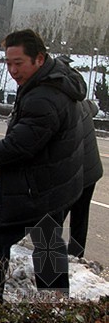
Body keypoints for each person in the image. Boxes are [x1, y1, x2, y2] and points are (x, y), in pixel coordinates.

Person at [0, 29, 86, 300]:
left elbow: (22, 144)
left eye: (18, 63)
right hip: (57, 182)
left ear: (39, 59)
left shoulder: (44, 95)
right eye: (8, 63)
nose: (12, 70)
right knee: (47, 239)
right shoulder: (54, 82)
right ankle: (54, 299)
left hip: (38, 186)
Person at [63, 99, 103, 258]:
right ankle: (75, 256)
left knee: (48, 221)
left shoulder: (56, 106)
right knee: (80, 217)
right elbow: (94, 108)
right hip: (90, 172)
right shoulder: (82, 103)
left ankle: (49, 273)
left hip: (73, 173)